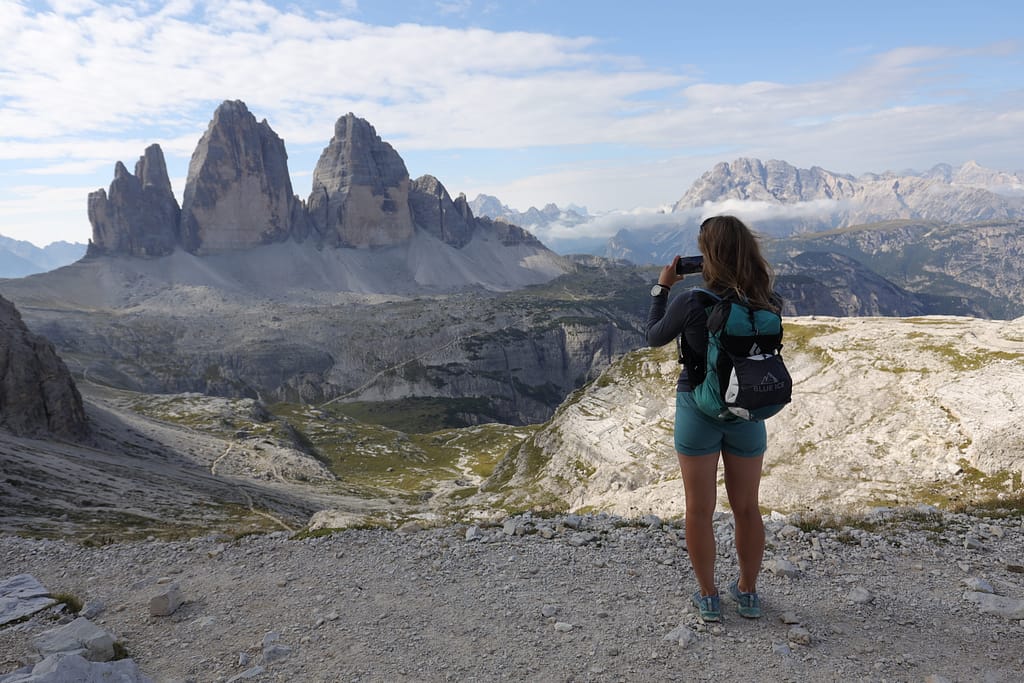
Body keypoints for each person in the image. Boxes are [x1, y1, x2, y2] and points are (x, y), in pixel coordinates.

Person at [645, 215, 781, 622]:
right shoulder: (769, 300)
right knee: (747, 508)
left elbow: (652, 335)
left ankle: (708, 597)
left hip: (698, 410)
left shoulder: (692, 301)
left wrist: (662, 287)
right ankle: (749, 593)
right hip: (748, 410)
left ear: (708, 257)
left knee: (699, 509)